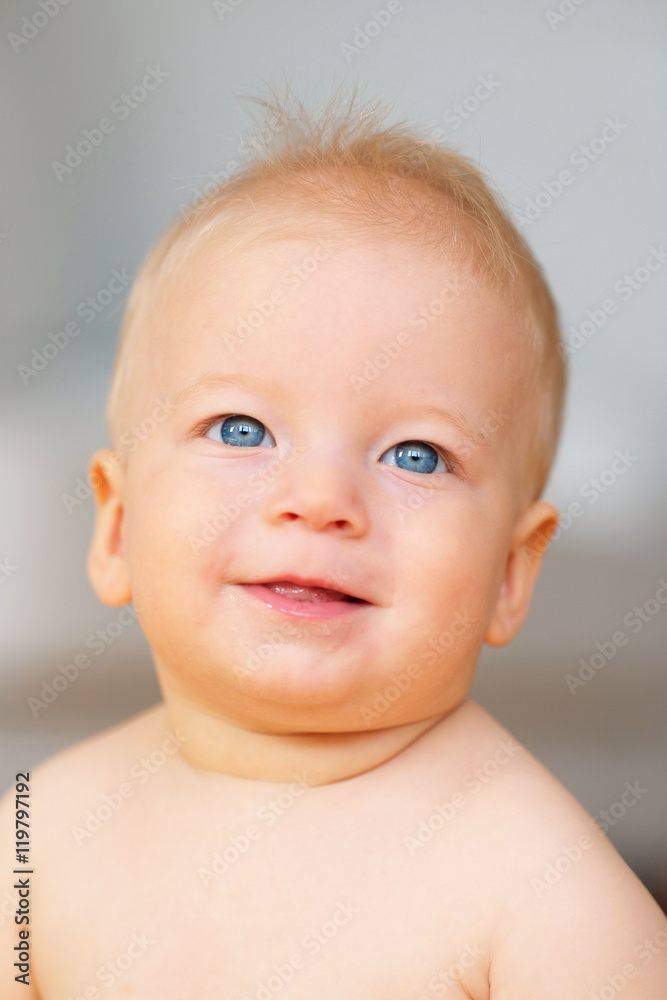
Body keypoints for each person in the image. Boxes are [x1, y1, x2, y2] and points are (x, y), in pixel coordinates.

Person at [2, 92, 665, 999]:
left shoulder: (540, 889)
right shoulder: (38, 832)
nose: (320, 502)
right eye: (239, 429)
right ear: (116, 526)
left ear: (512, 574)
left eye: (415, 455)